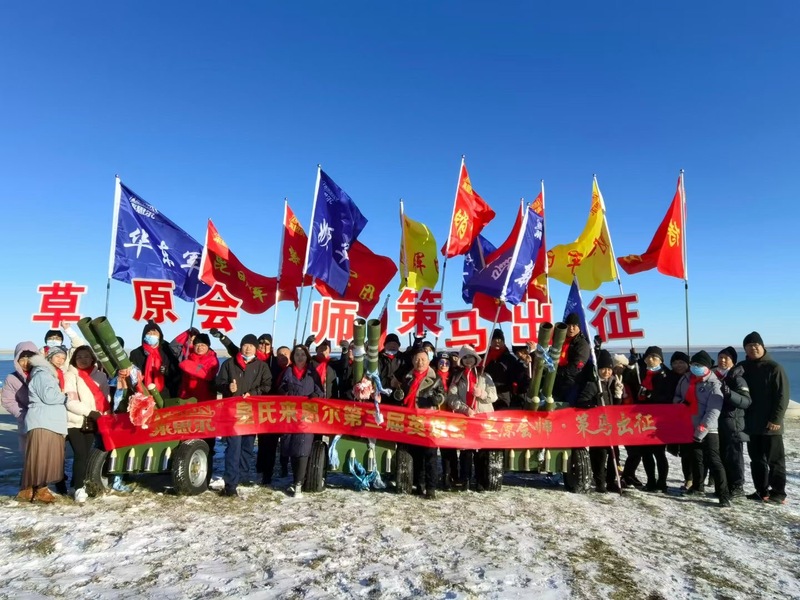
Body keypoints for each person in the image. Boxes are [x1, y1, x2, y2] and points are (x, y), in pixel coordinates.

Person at [215, 334, 272, 497]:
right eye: (245, 345)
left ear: (256, 349)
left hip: (251, 412)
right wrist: (228, 387)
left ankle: (242, 475)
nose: (248, 349)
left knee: (247, 446)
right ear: (241, 346)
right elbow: (218, 383)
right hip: (232, 412)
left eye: (251, 346)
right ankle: (231, 484)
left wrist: (253, 393)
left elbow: (267, 385)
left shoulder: (261, 366)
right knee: (233, 447)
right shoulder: (229, 363)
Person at [673, 351, 731, 507]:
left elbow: (714, 411)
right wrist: (680, 404)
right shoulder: (685, 379)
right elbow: (676, 396)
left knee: (714, 461)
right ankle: (697, 486)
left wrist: (701, 430)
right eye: (693, 364)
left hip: (708, 430)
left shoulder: (714, 384)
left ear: (707, 367)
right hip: (689, 426)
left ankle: (723, 494)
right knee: (696, 459)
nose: (695, 367)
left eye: (699, 365)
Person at [388, 344, 445, 499]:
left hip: (428, 422)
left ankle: (431, 488)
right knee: (416, 455)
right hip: (410, 421)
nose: (420, 362)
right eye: (417, 359)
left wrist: (437, 398)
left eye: (423, 359)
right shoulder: (407, 378)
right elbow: (401, 396)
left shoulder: (435, 378)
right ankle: (419, 485)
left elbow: (442, 395)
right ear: (413, 361)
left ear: (428, 361)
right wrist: (397, 393)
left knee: (430, 456)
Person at [740, 332, 790, 504]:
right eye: (749, 346)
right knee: (756, 460)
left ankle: (778, 493)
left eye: (756, 345)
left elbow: (782, 396)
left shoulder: (774, 368)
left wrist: (776, 419)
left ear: (762, 347)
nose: (753, 348)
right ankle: (761, 491)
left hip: (771, 424)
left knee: (775, 461)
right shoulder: (743, 367)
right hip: (751, 423)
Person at [18, 347, 70, 503]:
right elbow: (49, 396)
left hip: (47, 420)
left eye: (63, 358)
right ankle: (39, 490)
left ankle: (29, 490)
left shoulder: (46, 373)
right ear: (50, 357)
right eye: (58, 357)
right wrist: (66, 396)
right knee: (42, 457)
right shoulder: (43, 373)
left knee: (41, 456)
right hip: (44, 421)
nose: (61, 360)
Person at [445, 346, 497, 492]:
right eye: (465, 357)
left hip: (483, 418)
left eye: (470, 357)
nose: (468, 360)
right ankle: (465, 479)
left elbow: (494, 396)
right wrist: (464, 409)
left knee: (482, 452)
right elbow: (451, 398)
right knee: (466, 451)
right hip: (466, 417)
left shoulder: (484, 376)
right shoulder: (457, 377)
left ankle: (481, 480)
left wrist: (482, 394)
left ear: (475, 358)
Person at [620, 346, 671, 491]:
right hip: (641, 419)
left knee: (659, 453)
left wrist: (651, 395)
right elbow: (626, 378)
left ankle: (662, 482)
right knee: (646, 453)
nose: (651, 359)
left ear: (660, 360)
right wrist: (631, 364)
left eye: (654, 357)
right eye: (648, 357)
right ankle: (651, 481)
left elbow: (668, 395)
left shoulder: (666, 374)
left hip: (658, 419)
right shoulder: (640, 371)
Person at [278, 344, 324, 497]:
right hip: (290, 414)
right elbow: (280, 388)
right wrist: (284, 391)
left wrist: (315, 396)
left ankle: (299, 483)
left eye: (303, 354)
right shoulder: (288, 371)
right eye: (297, 354)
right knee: (291, 446)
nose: (300, 357)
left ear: (307, 356)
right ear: (293, 357)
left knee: (303, 447)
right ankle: (295, 479)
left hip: (306, 415)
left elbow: (320, 391)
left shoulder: (312, 372)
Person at [576, 350, 624, 492]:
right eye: (603, 369)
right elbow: (581, 402)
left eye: (609, 369)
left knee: (614, 454)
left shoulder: (613, 383)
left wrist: (618, 396)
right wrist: (594, 406)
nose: (606, 372)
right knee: (599, 455)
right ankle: (600, 482)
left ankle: (611, 481)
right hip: (597, 427)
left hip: (611, 425)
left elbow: (616, 408)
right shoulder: (592, 384)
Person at [66, 346, 107, 503]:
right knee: (80, 454)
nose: (83, 359)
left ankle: (74, 484)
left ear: (92, 358)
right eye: (79, 357)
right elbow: (70, 401)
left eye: (86, 356)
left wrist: (102, 414)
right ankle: (79, 488)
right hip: (75, 420)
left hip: (93, 421)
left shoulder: (100, 376)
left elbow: (105, 398)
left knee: (86, 454)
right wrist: (90, 412)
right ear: (74, 360)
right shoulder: (70, 375)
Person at [178, 333, 220, 482]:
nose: (200, 347)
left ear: (208, 346)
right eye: (197, 345)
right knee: (187, 437)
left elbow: (206, 375)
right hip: (188, 402)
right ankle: (185, 471)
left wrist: (187, 365)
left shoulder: (213, 360)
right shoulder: (188, 356)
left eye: (203, 345)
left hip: (206, 404)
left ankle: (206, 473)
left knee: (206, 439)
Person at [714, 346, 751, 499]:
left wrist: (730, 394)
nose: (722, 360)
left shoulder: (738, 378)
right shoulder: (713, 376)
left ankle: (737, 487)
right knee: (720, 456)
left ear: (733, 361)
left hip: (733, 422)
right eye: (720, 357)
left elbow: (746, 401)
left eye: (726, 358)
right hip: (716, 422)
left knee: (734, 457)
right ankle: (723, 486)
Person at [1, 341, 38, 461]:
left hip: (46, 421)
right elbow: (8, 400)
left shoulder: (43, 375)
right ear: (17, 360)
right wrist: (23, 415)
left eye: (30, 358)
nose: (26, 362)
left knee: (49, 457)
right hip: (26, 423)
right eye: (22, 359)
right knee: (30, 458)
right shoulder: (12, 378)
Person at [129, 322, 181, 398]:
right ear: (144, 336)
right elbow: (132, 375)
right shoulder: (136, 353)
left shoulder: (167, 351)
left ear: (160, 336)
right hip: (143, 394)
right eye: (149, 333)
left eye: (154, 333)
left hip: (165, 393)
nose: (151, 335)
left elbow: (176, 373)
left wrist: (166, 371)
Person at [668, 351, 694, 491]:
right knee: (685, 452)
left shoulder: (693, 377)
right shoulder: (668, 377)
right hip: (675, 419)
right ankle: (688, 478)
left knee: (695, 451)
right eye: (675, 362)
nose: (678, 365)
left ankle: (699, 478)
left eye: (682, 362)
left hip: (694, 419)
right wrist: (679, 403)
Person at [484, 329, 527, 410]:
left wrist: (524, 364)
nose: (497, 341)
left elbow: (517, 377)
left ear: (503, 342)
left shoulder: (510, 359)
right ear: (490, 341)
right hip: (486, 393)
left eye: (500, 339)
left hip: (504, 395)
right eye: (494, 339)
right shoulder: (484, 357)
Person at [553, 314, 591, 406]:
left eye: (574, 326)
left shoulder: (582, 344)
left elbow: (577, 366)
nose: (571, 328)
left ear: (579, 327)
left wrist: (557, 371)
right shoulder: (561, 340)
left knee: (568, 408)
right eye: (569, 325)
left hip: (572, 384)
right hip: (557, 382)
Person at [436, 352, 458, 490]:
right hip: (435, 416)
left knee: (449, 450)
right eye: (441, 362)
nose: (444, 365)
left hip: (451, 417)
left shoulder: (454, 377)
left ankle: (449, 476)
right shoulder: (433, 376)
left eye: (447, 363)